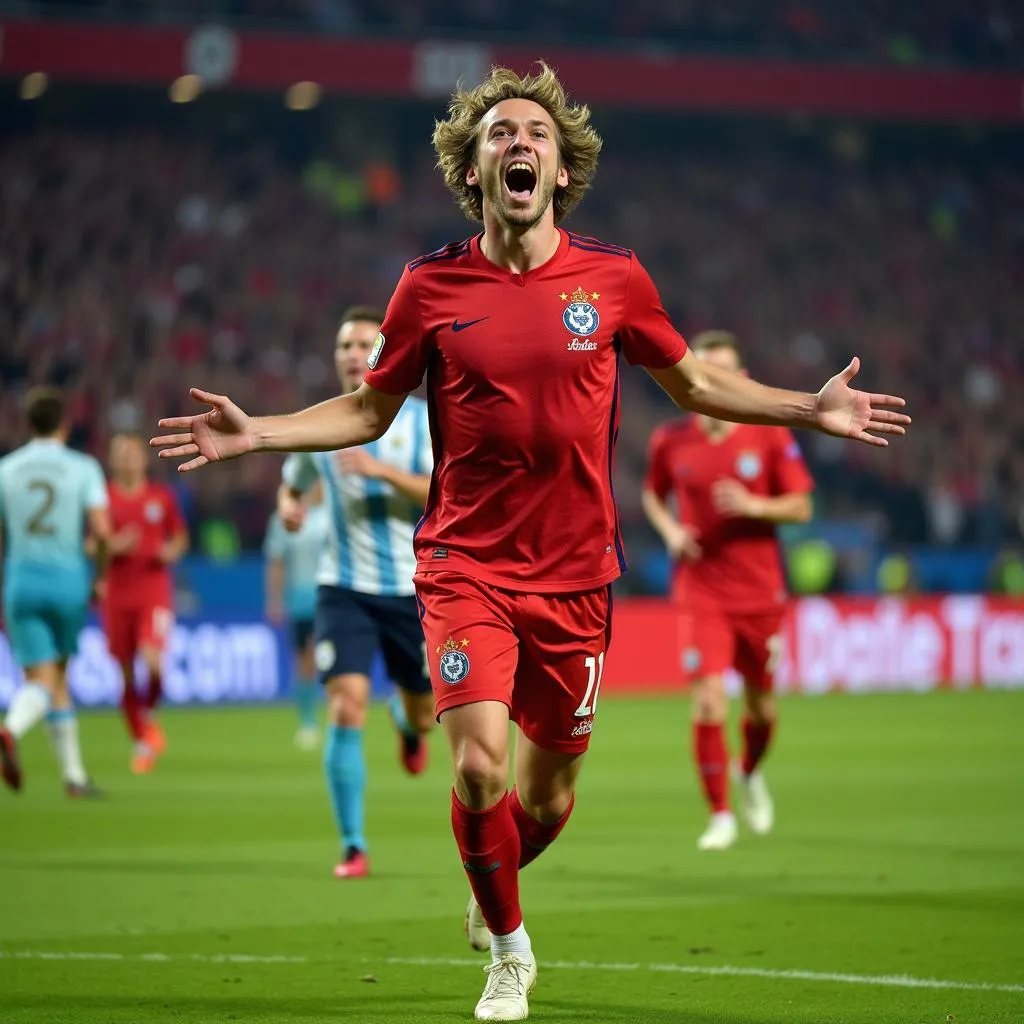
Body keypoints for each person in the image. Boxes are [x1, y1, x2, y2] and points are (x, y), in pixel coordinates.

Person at [151, 64, 909, 1022]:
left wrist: (810, 408)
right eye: (500, 134)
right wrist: (257, 431)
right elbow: (369, 406)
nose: (520, 143)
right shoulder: (429, 286)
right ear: (473, 170)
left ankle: (493, 880)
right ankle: (510, 952)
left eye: (537, 135)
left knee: (544, 804)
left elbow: (696, 387)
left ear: (561, 168)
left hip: (578, 577)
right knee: (477, 766)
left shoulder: (615, 278)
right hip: (465, 564)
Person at [276, 305, 435, 880]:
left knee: (425, 714)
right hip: (341, 587)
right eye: (343, 344)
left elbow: (447, 495)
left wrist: (381, 473)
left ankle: (407, 721)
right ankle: (353, 845)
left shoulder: (421, 423)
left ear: (384, 352)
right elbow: (291, 485)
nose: (350, 352)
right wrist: (290, 509)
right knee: (344, 706)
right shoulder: (319, 425)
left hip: (413, 591)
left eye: (363, 342)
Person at [643, 330, 815, 852]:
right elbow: (653, 495)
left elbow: (802, 507)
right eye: (705, 369)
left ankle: (749, 771)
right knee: (709, 702)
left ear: (741, 381)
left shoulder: (768, 436)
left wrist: (754, 505)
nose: (715, 379)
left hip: (759, 592)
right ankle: (719, 815)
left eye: (725, 372)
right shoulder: (671, 440)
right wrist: (671, 532)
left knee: (761, 709)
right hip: (701, 590)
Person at [0, 387, 110, 797]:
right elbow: (101, 530)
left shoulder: (6, 469)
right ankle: (10, 730)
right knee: (52, 678)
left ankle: (75, 776)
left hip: (21, 581)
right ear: (64, 425)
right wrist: (100, 577)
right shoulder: (83, 468)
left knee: (48, 679)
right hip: (67, 583)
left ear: (27, 425)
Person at [98, 432, 189, 775]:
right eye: (120, 454)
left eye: (132, 454)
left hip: (153, 591)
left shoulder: (160, 498)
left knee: (153, 664)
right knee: (124, 673)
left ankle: (148, 714)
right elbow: (90, 545)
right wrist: (114, 546)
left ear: (143, 459)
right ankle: (140, 741)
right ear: (112, 460)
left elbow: (180, 537)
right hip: (117, 594)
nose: (126, 460)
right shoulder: (102, 499)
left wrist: (171, 551)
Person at [264, 481, 329, 750]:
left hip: (328, 597)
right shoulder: (284, 517)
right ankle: (307, 720)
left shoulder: (330, 514)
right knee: (303, 661)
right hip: (299, 600)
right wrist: (274, 601)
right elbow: (276, 561)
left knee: (317, 657)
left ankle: (325, 717)